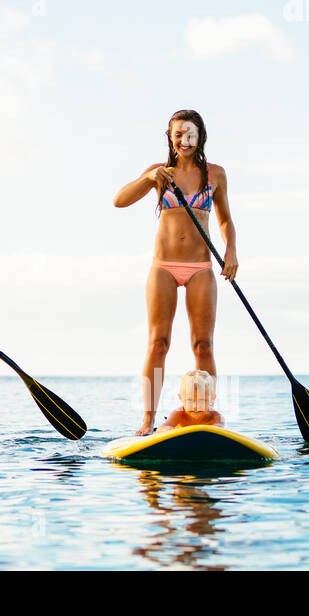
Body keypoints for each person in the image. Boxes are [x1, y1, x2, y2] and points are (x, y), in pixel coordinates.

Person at [113, 109, 238, 435]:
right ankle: (148, 420)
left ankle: (206, 416)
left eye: (190, 134)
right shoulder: (159, 173)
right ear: (171, 138)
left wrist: (231, 252)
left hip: (201, 267)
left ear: (200, 138)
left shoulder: (216, 174)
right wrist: (147, 179)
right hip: (163, 267)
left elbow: (224, 220)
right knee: (158, 343)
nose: (184, 140)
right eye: (178, 134)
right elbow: (119, 201)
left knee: (203, 345)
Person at [156, 369, 224, 432]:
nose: (195, 406)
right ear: (181, 398)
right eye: (189, 400)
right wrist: (168, 429)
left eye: (201, 400)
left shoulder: (216, 417)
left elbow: (219, 432)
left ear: (212, 398)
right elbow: (161, 428)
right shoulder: (178, 414)